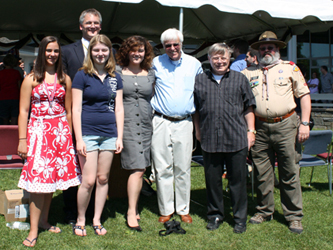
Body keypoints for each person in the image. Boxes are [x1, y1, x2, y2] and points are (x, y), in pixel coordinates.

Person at [242, 31, 311, 234]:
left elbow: (304, 95)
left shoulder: (290, 68)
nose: (266, 51)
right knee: (262, 173)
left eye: (270, 47)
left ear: (277, 49)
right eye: (262, 48)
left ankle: (294, 216)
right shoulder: (248, 73)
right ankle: (264, 210)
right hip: (260, 128)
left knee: (289, 172)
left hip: (286, 125)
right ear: (258, 51)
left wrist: (305, 123)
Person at [17, 36, 81, 247]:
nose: (52, 54)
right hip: (38, 134)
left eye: (56, 51)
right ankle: (33, 229)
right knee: (37, 183)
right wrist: (22, 140)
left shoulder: (65, 79)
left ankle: (44, 221)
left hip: (60, 134)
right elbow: (23, 111)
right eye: (48, 50)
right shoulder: (31, 78)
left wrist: (68, 139)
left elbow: (69, 112)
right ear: (42, 52)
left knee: (51, 180)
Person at [193, 43, 256, 233]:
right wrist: (197, 131)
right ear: (209, 59)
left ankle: (239, 218)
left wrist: (251, 131)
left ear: (229, 59)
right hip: (210, 138)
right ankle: (215, 215)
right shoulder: (200, 80)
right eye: (215, 58)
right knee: (213, 181)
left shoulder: (240, 79)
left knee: (237, 181)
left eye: (223, 58)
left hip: (236, 137)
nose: (219, 61)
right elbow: (195, 110)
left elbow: (249, 107)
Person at [72, 34, 124, 236]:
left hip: (110, 133)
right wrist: (79, 139)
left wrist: (119, 136)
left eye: (104, 50)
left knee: (103, 178)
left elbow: (119, 109)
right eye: (96, 50)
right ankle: (80, 219)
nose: (100, 54)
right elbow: (76, 109)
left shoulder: (115, 78)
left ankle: (96, 219)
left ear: (109, 52)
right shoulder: (82, 75)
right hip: (88, 134)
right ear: (90, 52)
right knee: (89, 180)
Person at [151, 28, 203, 224]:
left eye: (175, 44)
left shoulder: (194, 64)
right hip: (161, 121)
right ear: (163, 47)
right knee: (162, 168)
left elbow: (199, 96)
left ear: (182, 43)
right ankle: (166, 209)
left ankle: (183, 209)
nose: (172, 48)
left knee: (183, 167)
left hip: (184, 122)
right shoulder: (156, 63)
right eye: (168, 45)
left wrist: (198, 128)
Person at [61, 8, 102, 224]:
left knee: (95, 167)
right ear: (81, 26)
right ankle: (70, 209)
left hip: (99, 117)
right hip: (73, 115)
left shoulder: (107, 50)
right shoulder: (67, 51)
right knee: (74, 164)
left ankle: (94, 209)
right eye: (88, 23)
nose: (92, 26)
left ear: (100, 26)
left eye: (95, 23)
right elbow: (63, 84)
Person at [115, 35, 154, 231]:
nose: (137, 53)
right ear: (126, 52)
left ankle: (134, 205)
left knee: (141, 169)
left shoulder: (151, 73)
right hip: (127, 124)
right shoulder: (117, 72)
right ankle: (131, 211)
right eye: (133, 49)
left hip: (146, 125)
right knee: (137, 169)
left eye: (141, 50)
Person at [0, 54, 22, 125]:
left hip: (3, 97)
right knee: (14, 117)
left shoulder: (1, 73)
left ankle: (6, 133)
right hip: (15, 97)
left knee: (4, 118)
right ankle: (13, 133)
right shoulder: (16, 73)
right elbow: (19, 86)